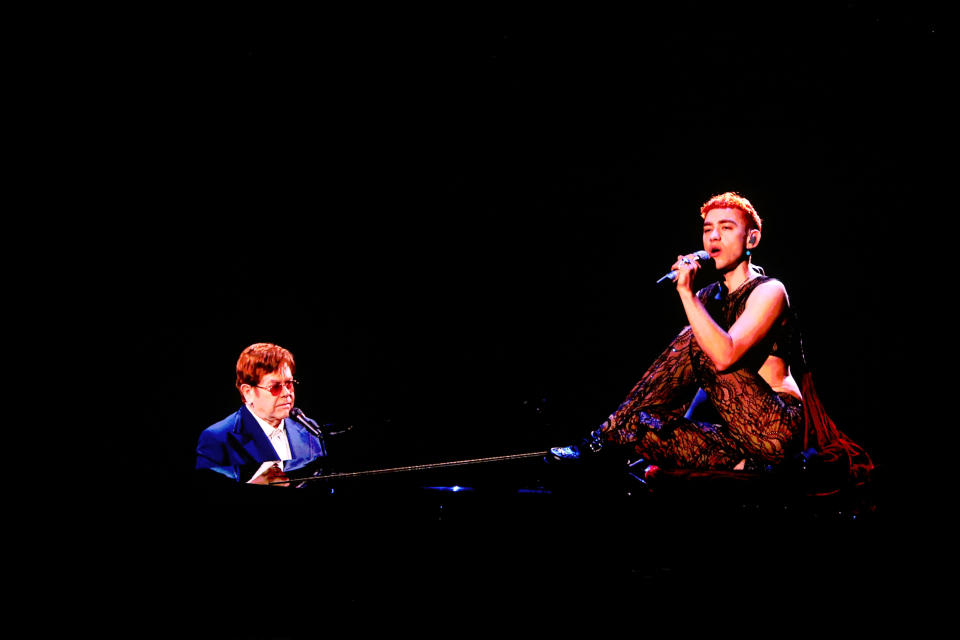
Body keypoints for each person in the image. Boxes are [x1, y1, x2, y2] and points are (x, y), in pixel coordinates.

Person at [551, 192, 872, 486]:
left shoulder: (770, 291)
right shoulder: (707, 297)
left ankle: (601, 438)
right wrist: (674, 431)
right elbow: (705, 382)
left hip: (774, 426)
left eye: (726, 227)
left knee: (698, 339)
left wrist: (686, 295)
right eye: (708, 229)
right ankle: (746, 466)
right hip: (735, 436)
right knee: (641, 424)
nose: (714, 236)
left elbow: (724, 356)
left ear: (752, 238)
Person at [196, 342, 327, 484]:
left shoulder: (309, 431)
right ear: (248, 393)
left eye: (289, 383)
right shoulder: (217, 439)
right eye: (275, 387)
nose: (287, 393)